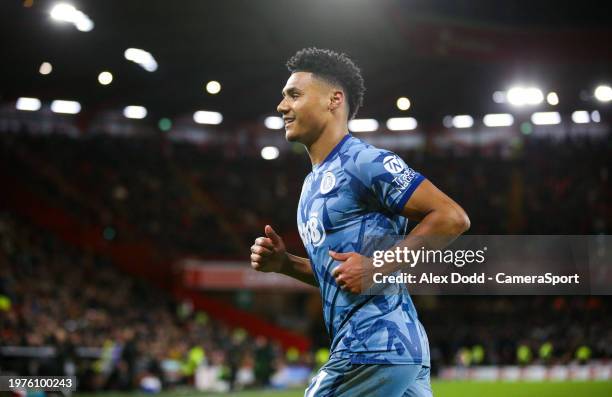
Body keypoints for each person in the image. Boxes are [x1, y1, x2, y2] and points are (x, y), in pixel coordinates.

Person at [250, 48, 469, 397]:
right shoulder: (311, 185)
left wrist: (377, 266)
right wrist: (285, 264)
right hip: (395, 349)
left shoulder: (365, 161)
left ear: (334, 100)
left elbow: (451, 218)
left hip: (372, 345)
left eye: (294, 95)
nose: (282, 107)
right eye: (282, 97)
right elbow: (343, 276)